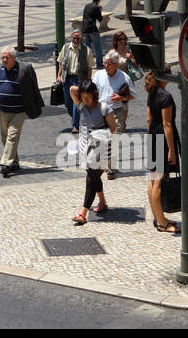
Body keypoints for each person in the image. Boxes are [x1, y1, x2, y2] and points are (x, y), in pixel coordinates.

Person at [0, 46, 43, 178]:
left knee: (12, 136)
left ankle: (6, 163)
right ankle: (14, 162)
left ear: (14, 58)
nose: (4, 60)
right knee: (5, 138)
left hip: (19, 111)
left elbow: (33, 88)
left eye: (7, 57)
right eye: (3, 57)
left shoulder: (23, 69)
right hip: (3, 110)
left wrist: (32, 104)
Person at [70, 79, 117, 225]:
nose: (85, 99)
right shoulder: (81, 106)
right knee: (94, 177)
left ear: (94, 94)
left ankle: (83, 213)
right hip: (86, 148)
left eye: (88, 96)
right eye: (83, 96)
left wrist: (100, 136)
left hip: (102, 148)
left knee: (91, 177)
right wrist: (83, 88)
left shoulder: (104, 108)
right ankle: (102, 202)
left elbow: (113, 128)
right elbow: (72, 90)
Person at [145, 71, 180, 235]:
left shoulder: (152, 93)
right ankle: (162, 223)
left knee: (153, 180)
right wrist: (171, 150)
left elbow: (149, 120)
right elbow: (167, 124)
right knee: (158, 180)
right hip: (162, 140)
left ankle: (157, 217)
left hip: (153, 136)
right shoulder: (166, 97)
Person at [91, 50, 132, 179]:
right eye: (105, 63)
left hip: (116, 112)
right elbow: (92, 92)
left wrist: (120, 97)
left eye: (109, 63)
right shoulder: (98, 75)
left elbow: (132, 95)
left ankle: (111, 168)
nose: (106, 66)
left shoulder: (124, 77)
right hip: (101, 112)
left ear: (116, 64)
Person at [56, 30, 94, 135]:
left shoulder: (87, 50)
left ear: (81, 39)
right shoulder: (66, 47)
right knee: (68, 103)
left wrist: (88, 81)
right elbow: (61, 63)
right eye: (73, 37)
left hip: (79, 80)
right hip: (67, 79)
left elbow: (90, 67)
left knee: (75, 103)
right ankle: (78, 118)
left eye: (77, 38)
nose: (75, 40)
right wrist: (59, 76)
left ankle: (75, 126)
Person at [81, 0, 105, 68]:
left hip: (85, 29)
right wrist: (100, 10)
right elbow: (100, 19)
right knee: (97, 47)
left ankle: (85, 64)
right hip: (92, 29)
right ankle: (99, 64)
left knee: (86, 48)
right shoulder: (97, 7)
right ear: (99, 0)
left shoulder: (87, 6)